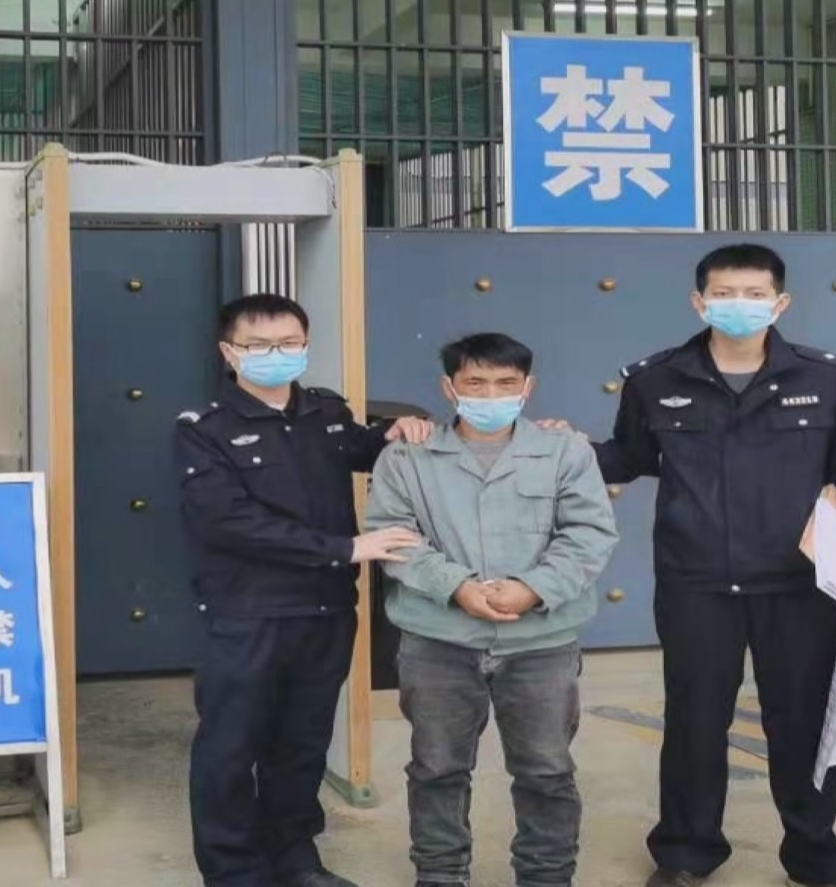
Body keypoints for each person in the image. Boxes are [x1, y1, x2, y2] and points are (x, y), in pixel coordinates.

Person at [591, 243, 836, 887]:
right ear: (699, 302)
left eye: (754, 294)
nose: (738, 305)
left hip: (799, 583)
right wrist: (552, 447)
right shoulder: (656, 380)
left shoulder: (828, 380)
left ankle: (815, 856)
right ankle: (686, 854)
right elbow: (628, 456)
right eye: (724, 294)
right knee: (694, 721)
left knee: (804, 723)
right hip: (696, 582)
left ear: (780, 302)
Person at [174, 293, 432, 887]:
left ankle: (295, 859)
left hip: (326, 609)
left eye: (289, 343)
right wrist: (346, 548)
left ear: (306, 345)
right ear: (229, 352)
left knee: (302, 743)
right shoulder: (205, 428)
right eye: (259, 345)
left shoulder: (326, 412)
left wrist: (397, 431)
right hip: (248, 612)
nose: (276, 354)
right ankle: (234, 872)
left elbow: (366, 448)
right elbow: (226, 521)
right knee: (230, 748)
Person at [363, 333, 619, 887]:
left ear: (528, 387)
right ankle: (440, 873)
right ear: (448, 387)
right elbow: (393, 537)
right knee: (436, 769)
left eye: (505, 383)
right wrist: (456, 587)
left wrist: (533, 587)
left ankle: (547, 875)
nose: (490, 394)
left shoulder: (567, 452)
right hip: (438, 641)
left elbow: (590, 534)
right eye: (475, 383)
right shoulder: (406, 457)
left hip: (541, 643)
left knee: (547, 771)